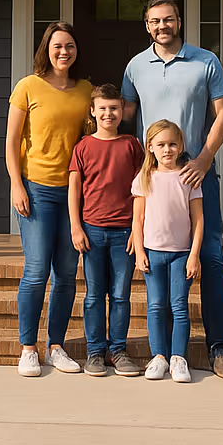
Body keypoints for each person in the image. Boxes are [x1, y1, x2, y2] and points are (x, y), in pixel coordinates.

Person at [121, 0, 223, 379]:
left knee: (212, 258)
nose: (162, 26)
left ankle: (219, 347)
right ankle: (164, 352)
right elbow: (122, 117)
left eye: (168, 19)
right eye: (155, 21)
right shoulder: (135, 66)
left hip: (195, 174)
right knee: (154, 258)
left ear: (179, 21)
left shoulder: (206, 61)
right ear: (147, 25)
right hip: (153, 179)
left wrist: (204, 159)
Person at [6, 20, 92, 377]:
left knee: (68, 273)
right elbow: (12, 142)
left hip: (74, 192)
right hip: (37, 189)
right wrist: (16, 184)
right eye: (58, 45)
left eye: (70, 46)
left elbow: (92, 138)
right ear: (47, 48)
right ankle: (28, 348)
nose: (64, 51)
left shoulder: (85, 89)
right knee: (37, 270)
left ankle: (56, 345)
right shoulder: (28, 86)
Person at [67, 83, 146, 377]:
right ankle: (95, 352)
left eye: (113, 108)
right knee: (94, 295)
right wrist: (76, 227)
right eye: (103, 108)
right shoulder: (83, 146)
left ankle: (118, 350)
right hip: (92, 231)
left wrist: (137, 232)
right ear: (93, 111)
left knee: (121, 295)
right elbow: (74, 189)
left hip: (124, 234)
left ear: (122, 111)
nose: (108, 113)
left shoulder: (131, 145)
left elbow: (142, 190)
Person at [131, 118, 204, 383]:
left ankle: (178, 358)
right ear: (150, 147)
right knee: (156, 305)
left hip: (181, 254)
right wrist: (139, 251)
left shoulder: (189, 178)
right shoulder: (144, 178)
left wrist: (194, 254)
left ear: (181, 145)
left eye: (173, 144)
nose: (167, 149)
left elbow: (198, 220)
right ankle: (159, 357)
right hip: (153, 253)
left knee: (179, 306)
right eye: (161, 144)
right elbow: (137, 220)